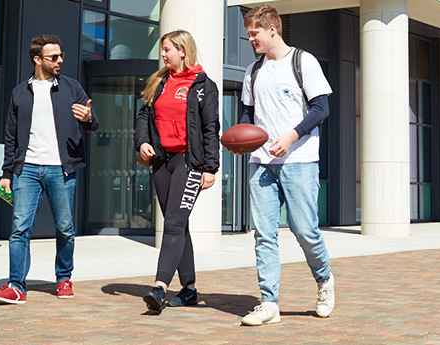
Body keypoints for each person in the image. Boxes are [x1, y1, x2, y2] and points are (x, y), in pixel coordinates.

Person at [238, 4, 335, 326]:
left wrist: (291, 136)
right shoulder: (252, 71)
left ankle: (324, 282)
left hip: (299, 160)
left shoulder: (302, 61)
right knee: (264, 234)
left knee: (304, 230)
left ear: (271, 30)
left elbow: (321, 109)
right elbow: (246, 117)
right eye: (249, 34)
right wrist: (242, 142)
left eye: (254, 34)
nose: (251, 39)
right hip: (261, 163)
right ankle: (269, 304)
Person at [0, 34, 98, 305]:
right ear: (37, 60)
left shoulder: (72, 88)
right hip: (27, 170)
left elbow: (93, 124)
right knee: (19, 229)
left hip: (62, 170)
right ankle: (16, 286)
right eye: (54, 57)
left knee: (65, 228)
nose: (60, 60)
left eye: (61, 56)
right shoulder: (19, 93)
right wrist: (6, 173)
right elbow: (11, 136)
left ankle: (64, 278)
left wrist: (89, 118)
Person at [134, 30, 220, 313]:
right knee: (178, 225)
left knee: (172, 222)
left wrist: (210, 167)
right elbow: (144, 115)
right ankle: (190, 289)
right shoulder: (159, 82)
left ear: (183, 50)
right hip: (162, 161)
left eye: (167, 49)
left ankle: (160, 288)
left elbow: (210, 128)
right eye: (163, 49)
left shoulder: (203, 85)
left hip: (189, 161)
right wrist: (143, 141)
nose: (163, 54)